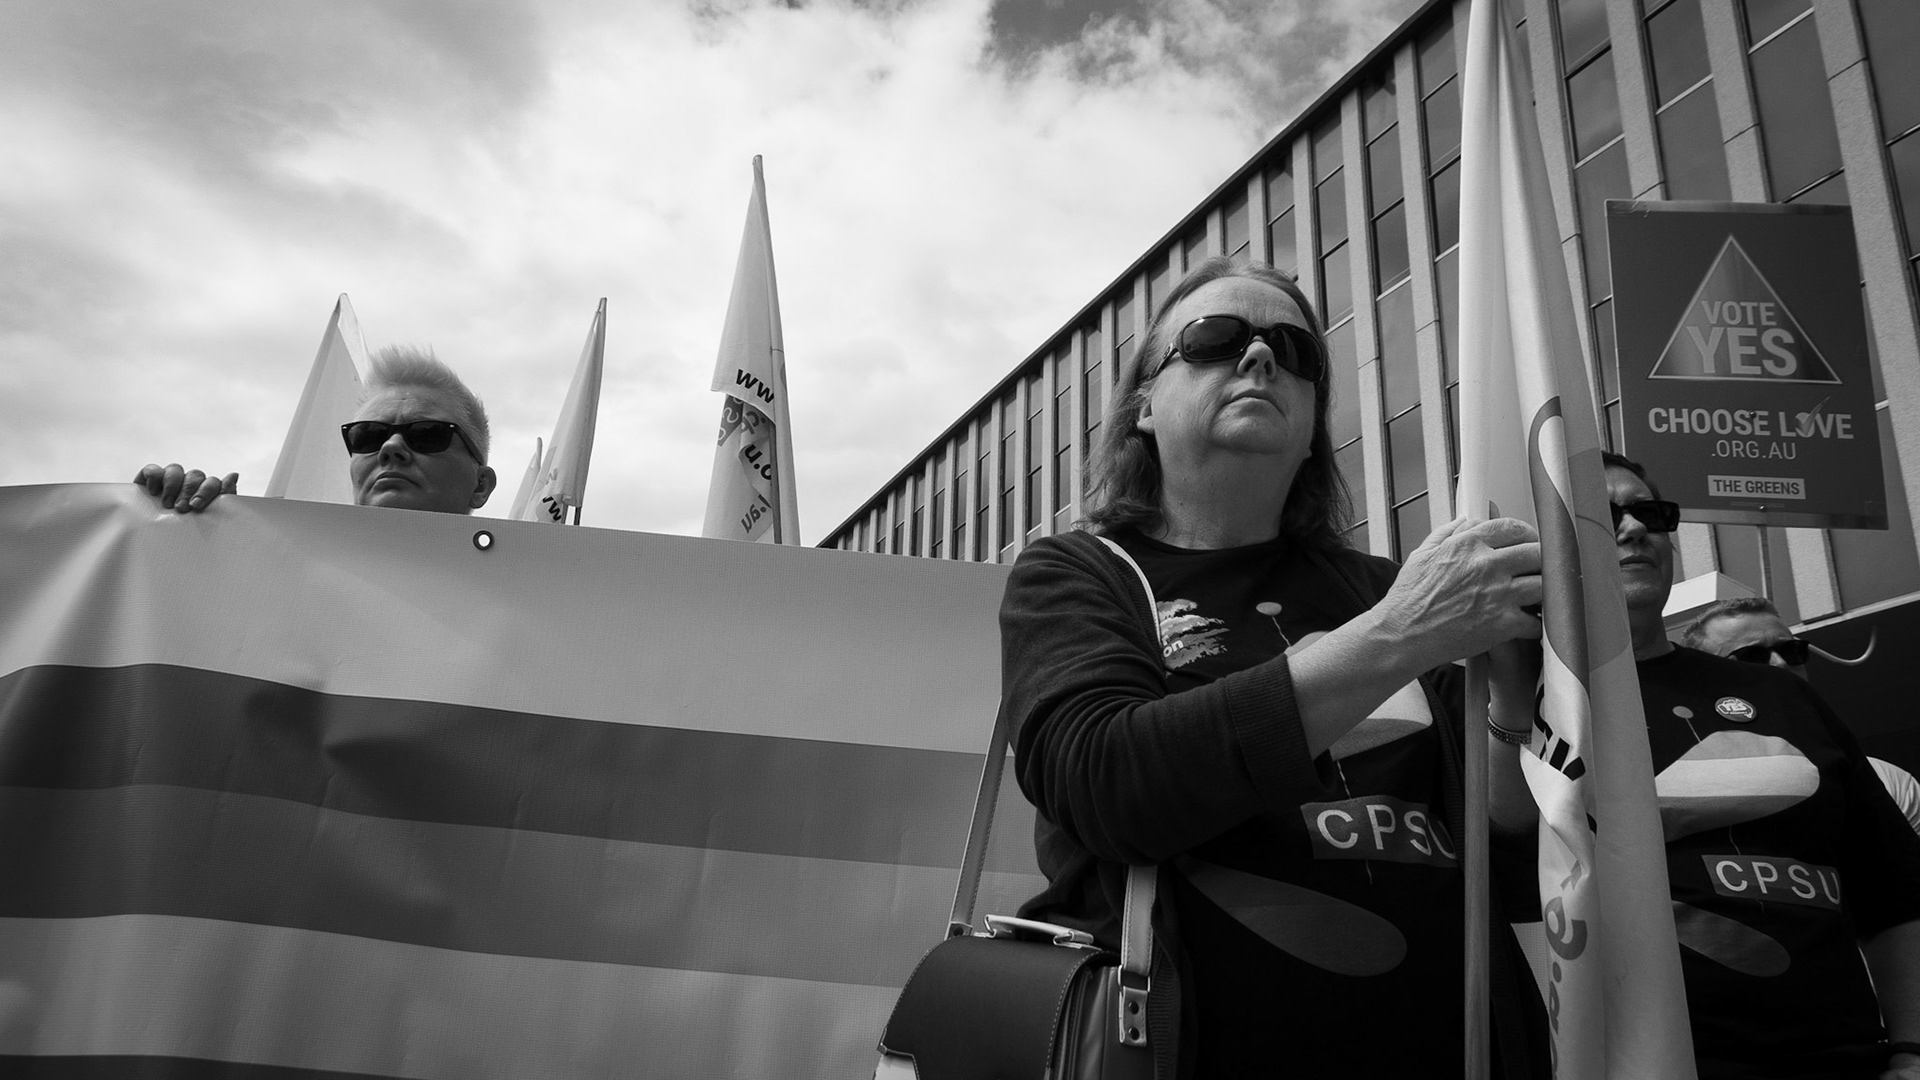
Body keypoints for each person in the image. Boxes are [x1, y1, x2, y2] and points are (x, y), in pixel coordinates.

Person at [1000, 257, 1548, 1079]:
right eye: (1215, 339)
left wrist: (1512, 687)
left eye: (1295, 353)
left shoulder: (1379, 585)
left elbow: (1502, 839)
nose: (1261, 359)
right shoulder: (1080, 574)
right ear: (1144, 404)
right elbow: (1108, 782)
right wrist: (1399, 634)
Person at [1604, 451, 1920, 1080]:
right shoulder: (1531, 707)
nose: (1634, 527)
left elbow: (1893, 894)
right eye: (1603, 515)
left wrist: (1911, 1052)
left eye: (1649, 511)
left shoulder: (1786, 697)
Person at [134, 346, 497, 516]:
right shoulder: (261, 578)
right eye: (367, 435)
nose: (391, 447)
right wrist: (183, 534)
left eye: (427, 433)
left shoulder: (540, 605)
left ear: (480, 485)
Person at [1682, 595, 1920, 835]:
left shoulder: (1887, 781)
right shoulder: (1682, 789)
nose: (1780, 663)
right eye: (1751, 656)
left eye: (1791, 650)